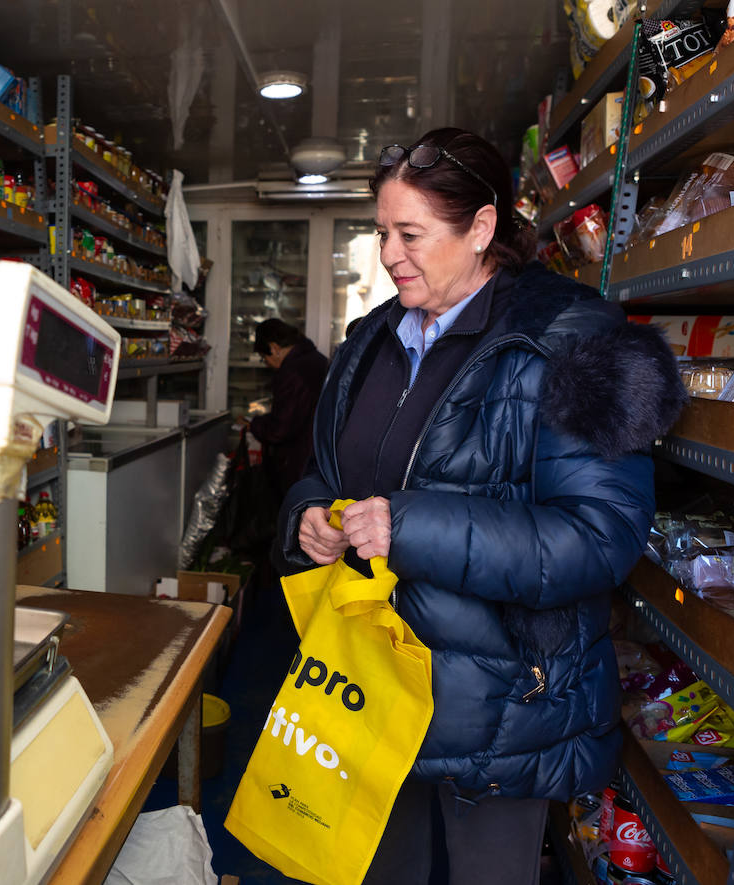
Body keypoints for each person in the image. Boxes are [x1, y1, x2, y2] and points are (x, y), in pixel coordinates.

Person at [277, 128, 686, 885]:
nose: (389, 254)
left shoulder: (570, 339)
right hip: (366, 690)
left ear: (483, 229)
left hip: (501, 714)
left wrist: (408, 526)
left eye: (411, 234)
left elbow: (600, 534)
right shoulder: (369, 338)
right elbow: (322, 471)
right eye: (381, 233)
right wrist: (307, 517)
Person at [247, 318, 329, 501]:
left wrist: (254, 424)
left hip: (299, 462)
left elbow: (280, 430)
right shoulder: (317, 359)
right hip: (317, 459)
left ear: (274, 348)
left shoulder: (292, 372)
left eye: (264, 357)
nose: (266, 363)